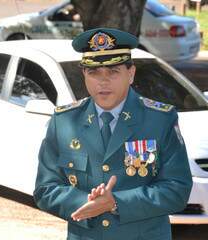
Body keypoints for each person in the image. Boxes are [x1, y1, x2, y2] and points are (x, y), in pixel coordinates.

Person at [33, 27, 192, 240]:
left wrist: (116, 202)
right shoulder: (63, 122)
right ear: (84, 75)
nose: (103, 81)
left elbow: (177, 189)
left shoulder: (159, 120)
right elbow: (45, 189)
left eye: (113, 71)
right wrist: (87, 204)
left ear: (131, 73)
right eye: (94, 72)